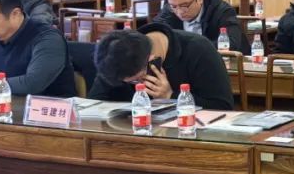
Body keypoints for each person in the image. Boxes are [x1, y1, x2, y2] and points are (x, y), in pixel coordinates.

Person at [88, 23, 234, 110]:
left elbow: (223, 107)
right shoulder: (116, 54)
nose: (137, 84)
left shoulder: (199, 50)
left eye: (137, 79)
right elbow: (94, 103)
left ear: (152, 60)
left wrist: (171, 96)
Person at [154, 0, 249, 54]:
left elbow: (232, 43)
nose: (179, 12)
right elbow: (153, 34)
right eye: (174, 6)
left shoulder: (222, 11)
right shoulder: (169, 10)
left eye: (184, 5)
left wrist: (189, 48)